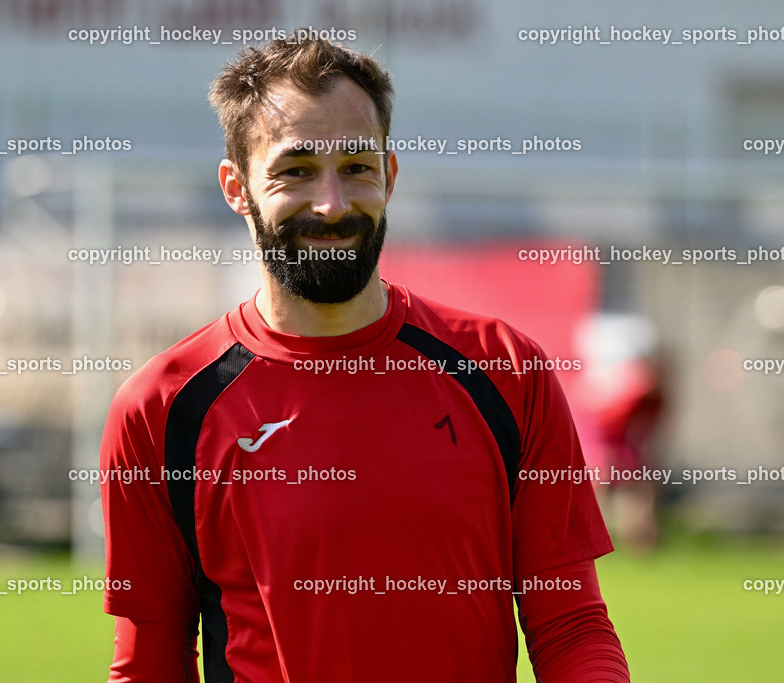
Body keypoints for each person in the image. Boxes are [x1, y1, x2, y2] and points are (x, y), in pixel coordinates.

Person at [100, 32, 629, 682]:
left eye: (356, 166)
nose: (332, 203)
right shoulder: (161, 407)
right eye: (295, 170)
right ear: (236, 187)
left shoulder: (504, 369)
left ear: (391, 174)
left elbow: (570, 622)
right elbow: (149, 657)